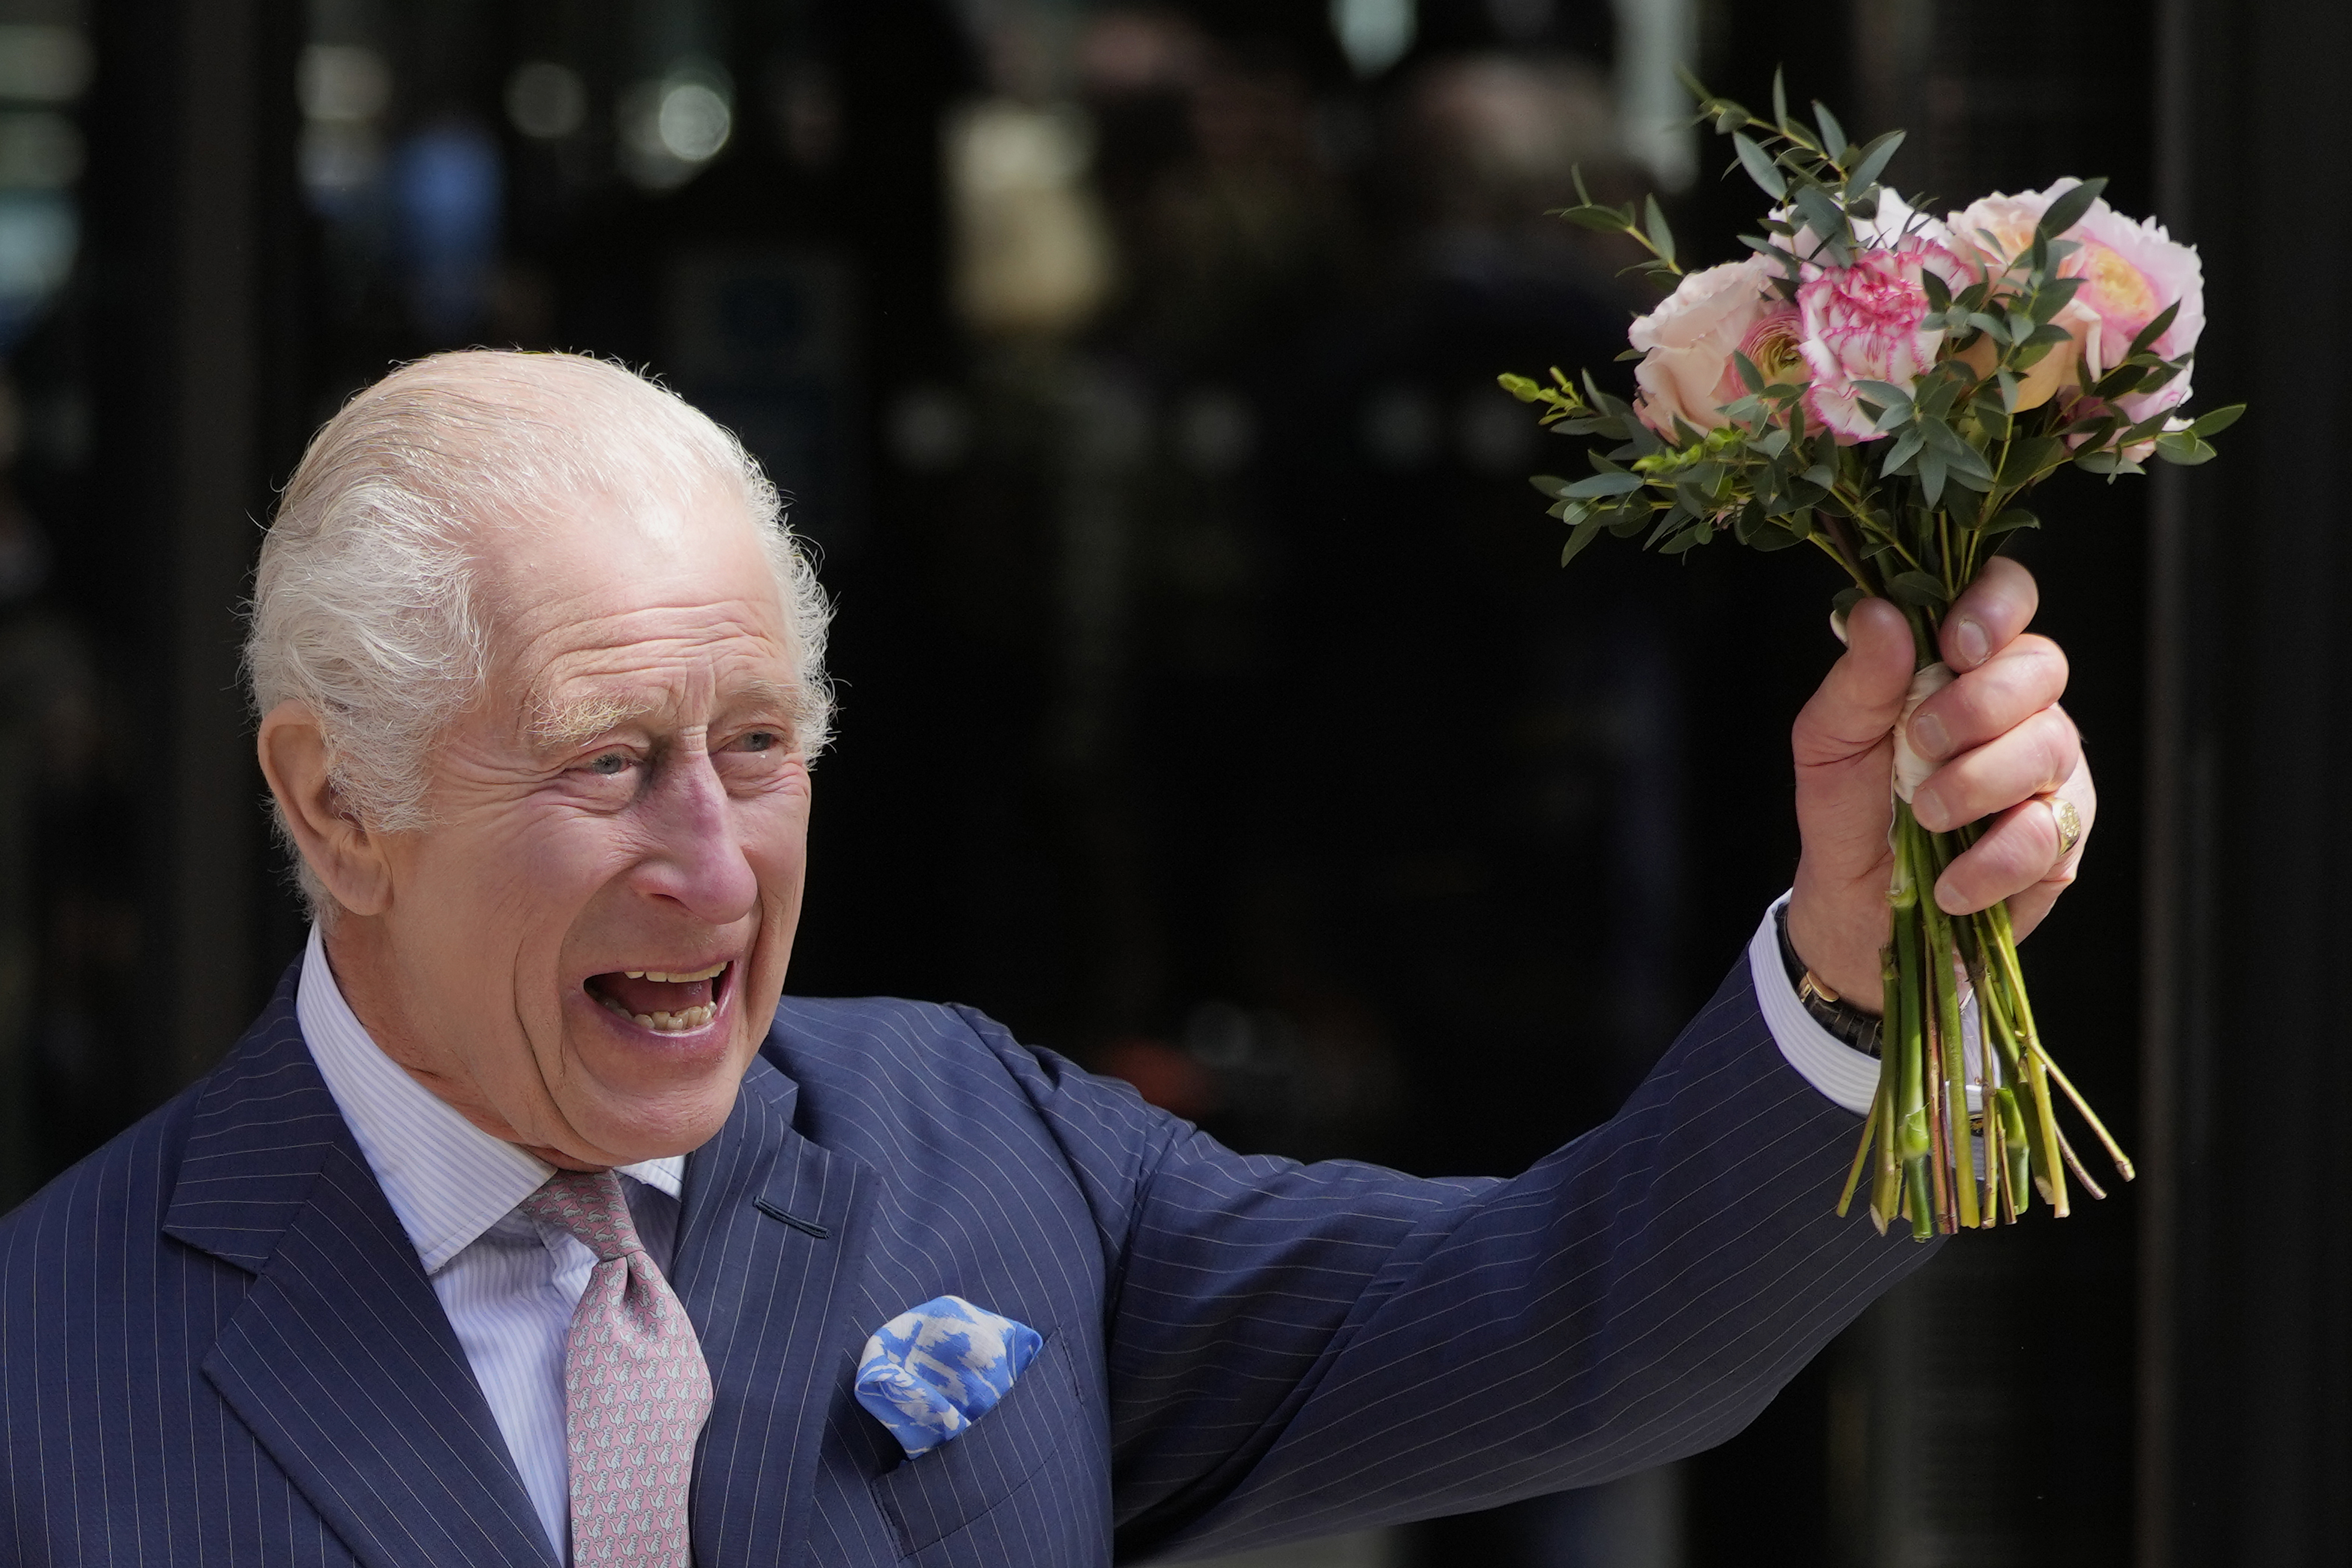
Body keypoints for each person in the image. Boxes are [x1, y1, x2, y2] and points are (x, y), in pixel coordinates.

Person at [0, 352, 2092, 1567]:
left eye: (757, 747)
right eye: (610, 763)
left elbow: (1588, 1321)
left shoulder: (971, 1140)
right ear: (338, 803)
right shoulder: (49, 1363)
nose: (714, 868)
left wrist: (1856, 966)